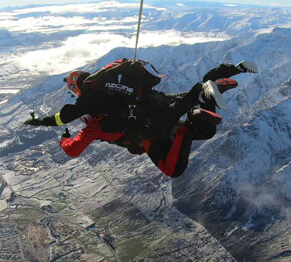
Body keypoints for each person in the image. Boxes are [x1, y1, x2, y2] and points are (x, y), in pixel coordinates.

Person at [24, 59, 257, 177]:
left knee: (172, 168)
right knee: (202, 124)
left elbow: (73, 149)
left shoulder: (94, 121)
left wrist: (63, 140)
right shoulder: (125, 94)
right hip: (158, 104)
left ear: (78, 91)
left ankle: (192, 119)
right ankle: (222, 77)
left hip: (150, 131)